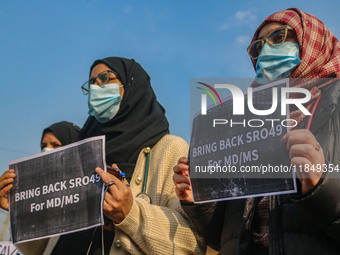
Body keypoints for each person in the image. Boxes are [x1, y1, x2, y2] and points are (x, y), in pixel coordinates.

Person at [173, 8, 340, 255]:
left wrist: (321, 185)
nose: (266, 51)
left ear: (312, 39)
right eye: (257, 47)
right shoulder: (245, 120)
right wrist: (198, 199)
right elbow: (224, 237)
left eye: (279, 37)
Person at [16, 57, 204, 255]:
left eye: (106, 79)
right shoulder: (80, 151)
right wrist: (20, 212)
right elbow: (39, 249)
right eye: (93, 83)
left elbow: (191, 246)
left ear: (133, 86)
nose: (97, 88)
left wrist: (130, 213)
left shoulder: (170, 150)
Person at [0, 121, 80, 211]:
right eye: (43, 146)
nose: (47, 150)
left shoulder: (85, 191)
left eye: (56, 145)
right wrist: (15, 208)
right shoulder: (36, 195)